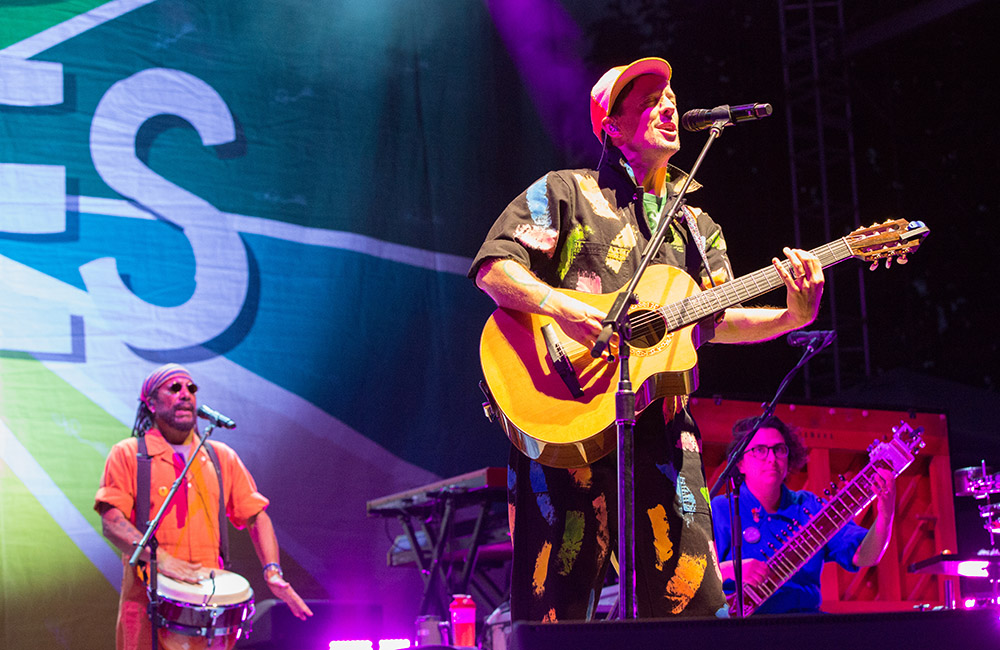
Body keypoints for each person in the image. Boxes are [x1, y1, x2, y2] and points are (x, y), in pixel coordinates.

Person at [469, 57, 826, 622]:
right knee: (552, 618)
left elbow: (715, 320)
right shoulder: (566, 193)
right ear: (611, 126)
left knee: (693, 613)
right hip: (565, 424)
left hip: (662, 438)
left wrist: (791, 316)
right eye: (649, 99)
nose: (667, 106)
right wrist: (562, 307)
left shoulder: (697, 225)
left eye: (670, 96)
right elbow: (494, 268)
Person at [95, 363, 313, 650]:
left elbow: (256, 517)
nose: (186, 394)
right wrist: (163, 560)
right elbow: (111, 521)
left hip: (210, 610)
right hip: (148, 603)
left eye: (191, 388)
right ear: (150, 402)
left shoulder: (220, 457)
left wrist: (272, 572)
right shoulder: (130, 454)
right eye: (174, 388)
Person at [711, 415, 896, 614]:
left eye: (779, 450)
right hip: (745, 629)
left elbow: (864, 556)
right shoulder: (721, 510)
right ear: (740, 463)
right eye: (760, 450)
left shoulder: (809, 507)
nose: (772, 459)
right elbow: (688, 576)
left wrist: (886, 514)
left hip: (806, 625)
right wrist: (731, 570)